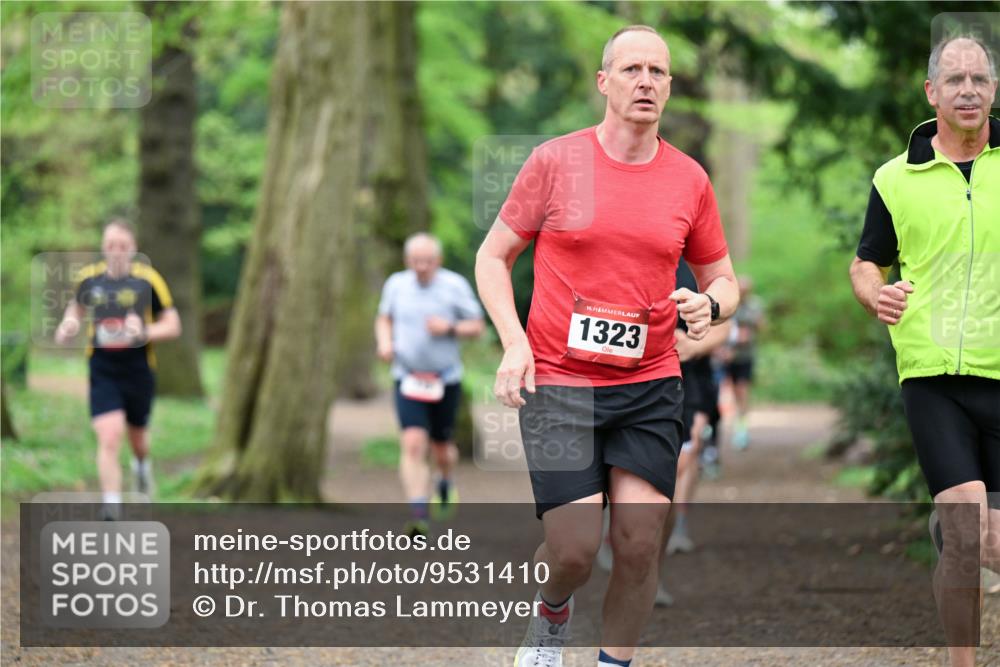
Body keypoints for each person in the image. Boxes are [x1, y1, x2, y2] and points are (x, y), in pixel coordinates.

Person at [475, 25, 738, 667]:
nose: (646, 81)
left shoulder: (688, 179)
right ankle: (551, 616)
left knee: (640, 542)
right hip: (562, 382)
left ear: (670, 87)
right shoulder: (556, 163)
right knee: (571, 551)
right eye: (632, 69)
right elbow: (492, 257)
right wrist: (515, 344)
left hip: (649, 382)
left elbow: (722, 278)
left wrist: (710, 305)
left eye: (658, 72)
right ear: (604, 82)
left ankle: (612, 662)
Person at [849, 35, 999, 667]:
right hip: (932, 377)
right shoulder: (895, 177)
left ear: (994, 91)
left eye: (981, 79)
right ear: (932, 92)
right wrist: (876, 295)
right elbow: (865, 262)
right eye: (955, 79)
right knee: (968, 533)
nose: (969, 90)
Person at [54, 219, 181, 518]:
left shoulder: (149, 280)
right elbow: (76, 309)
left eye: (123, 246)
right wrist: (68, 323)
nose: (116, 252)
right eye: (111, 245)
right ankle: (112, 504)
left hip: (138, 370)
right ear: (103, 247)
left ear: (133, 248)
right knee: (109, 436)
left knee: (138, 440)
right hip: (103, 368)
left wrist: (144, 333)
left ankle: (141, 466)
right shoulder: (89, 279)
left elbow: (173, 325)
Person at [375, 232, 484, 537]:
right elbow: (384, 318)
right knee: (412, 443)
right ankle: (418, 513)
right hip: (407, 376)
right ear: (407, 260)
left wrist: (448, 327)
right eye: (415, 261)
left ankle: (445, 481)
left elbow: (477, 326)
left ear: (438, 260)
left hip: (444, 378)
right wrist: (385, 343)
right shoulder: (396, 284)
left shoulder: (454, 286)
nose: (421, 266)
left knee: (442, 450)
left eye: (427, 261)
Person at [723, 275, 763, 450]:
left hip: (744, 357)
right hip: (725, 356)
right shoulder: (728, 303)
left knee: (742, 392)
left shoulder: (754, 305)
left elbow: (761, 326)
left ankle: (742, 429)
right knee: (725, 392)